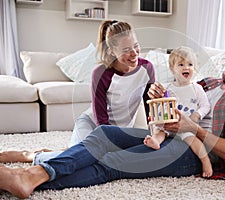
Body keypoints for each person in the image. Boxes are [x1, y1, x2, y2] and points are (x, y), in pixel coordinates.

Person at [0, 35, 225, 199]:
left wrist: (193, 128)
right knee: (103, 135)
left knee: (113, 162)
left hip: (193, 154)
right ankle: (29, 174)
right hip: (170, 135)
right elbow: (180, 100)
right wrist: (159, 96)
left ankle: (28, 177)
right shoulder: (210, 83)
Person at [0, 19, 155, 163]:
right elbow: (101, 121)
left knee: (104, 157)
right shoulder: (101, 73)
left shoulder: (147, 68)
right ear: (112, 52)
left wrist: (155, 133)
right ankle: (29, 155)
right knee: (87, 157)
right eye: (127, 49)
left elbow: (151, 107)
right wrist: (108, 145)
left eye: (136, 46)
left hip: (121, 130)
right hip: (93, 125)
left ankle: (64, 151)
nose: (134, 53)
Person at [143, 46, 212, 177]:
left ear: (195, 68)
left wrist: (197, 115)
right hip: (169, 124)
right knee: (159, 132)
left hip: (185, 126)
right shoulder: (167, 88)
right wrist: (158, 117)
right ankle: (156, 142)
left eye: (190, 64)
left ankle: (205, 161)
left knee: (194, 140)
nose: (186, 67)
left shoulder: (196, 88)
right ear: (172, 68)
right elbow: (161, 105)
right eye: (181, 64)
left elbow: (205, 106)